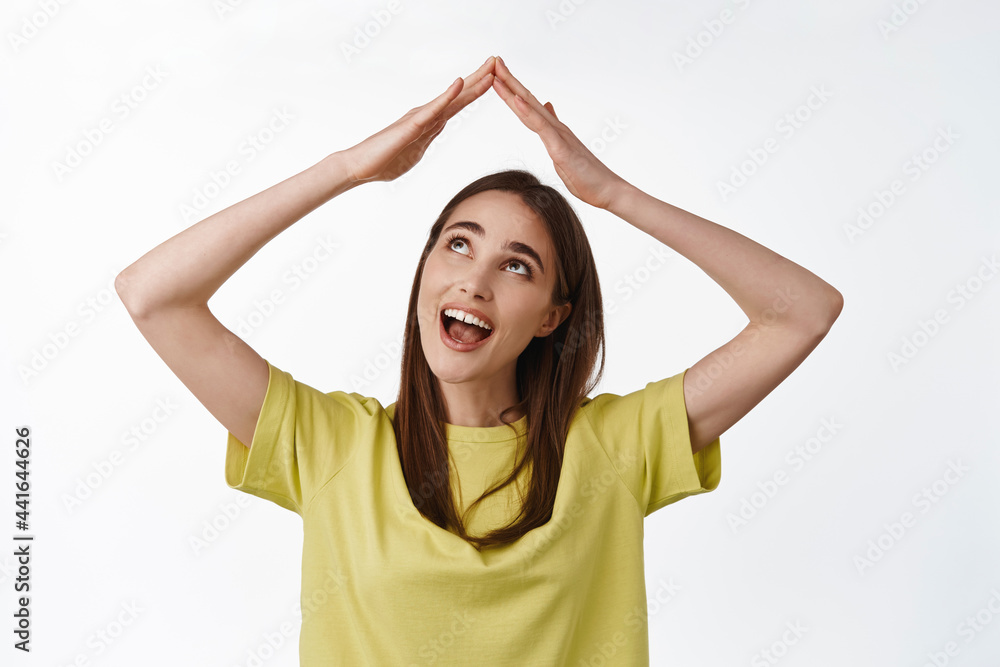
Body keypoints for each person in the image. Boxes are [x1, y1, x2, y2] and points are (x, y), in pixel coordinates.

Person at [117, 56, 843, 665]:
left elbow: (802, 311)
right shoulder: (334, 445)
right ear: (426, 268)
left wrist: (613, 194)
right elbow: (153, 296)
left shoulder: (615, 448)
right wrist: (348, 168)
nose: (475, 278)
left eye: (518, 266)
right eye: (458, 243)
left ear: (553, 316)